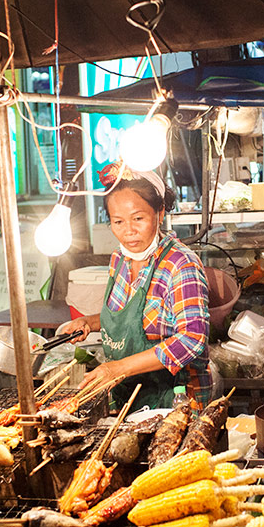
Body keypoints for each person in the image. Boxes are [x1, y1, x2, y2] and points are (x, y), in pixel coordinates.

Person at [63, 168, 211, 408]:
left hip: (176, 400)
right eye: (118, 221)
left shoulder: (180, 264)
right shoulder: (119, 260)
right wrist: (89, 323)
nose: (128, 230)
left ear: (159, 213)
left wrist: (117, 369)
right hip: (128, 397)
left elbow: (192, 339)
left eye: (138, 218)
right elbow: (133, 320)